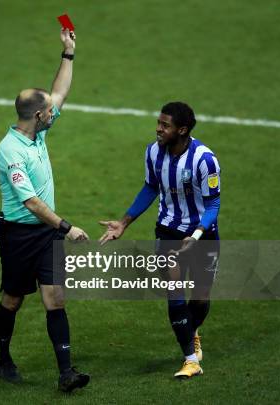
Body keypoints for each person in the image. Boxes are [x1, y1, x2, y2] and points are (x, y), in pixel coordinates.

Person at [0, 28, 90, 392]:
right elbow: (31, 202)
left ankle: (66, 374)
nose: (56, 112)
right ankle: (3, 360)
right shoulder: (11, 150)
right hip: (19, 235)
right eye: (50, 110)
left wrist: (68, 54)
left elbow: (60, 91)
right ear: (37, 114)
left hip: (45, 234)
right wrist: (67, 227)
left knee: (55, 298)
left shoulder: (38, 132)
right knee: (13, 300)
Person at [99, 101, 221, 379]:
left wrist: (197, 234)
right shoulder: (153, 152)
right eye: (158, 122)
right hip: (167, 232)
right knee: (175, 293)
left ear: (182, 129)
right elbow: (151, 186)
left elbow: (213, 205)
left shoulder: (205, 159)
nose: (158, 129)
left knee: (200, 299)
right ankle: (191, 359)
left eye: (165, 125)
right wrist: (124, 223)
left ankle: (192, 334)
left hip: (202, 235)